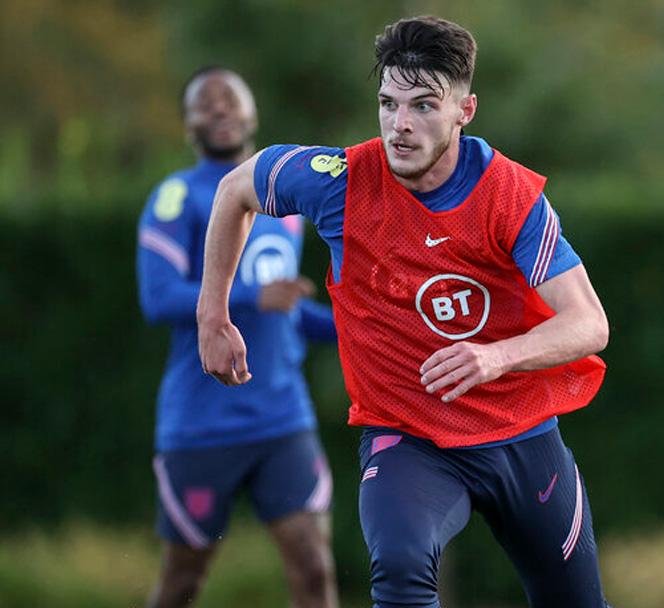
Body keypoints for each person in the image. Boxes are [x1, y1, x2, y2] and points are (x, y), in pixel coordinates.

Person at [195, 17, 611, 608]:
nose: (400, 125)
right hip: (408, 438)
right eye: (388, 104)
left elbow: (589, 324)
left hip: (521, 436)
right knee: (399, 564)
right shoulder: (339, 182)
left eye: (423, 106)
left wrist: (496, 356)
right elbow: (236, 187)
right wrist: (212, 314)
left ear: (465, 110)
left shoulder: (511, 197)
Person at [136, 67, 339, 608]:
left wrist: (360, 328)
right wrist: (251, 295)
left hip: (281, 417)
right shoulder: (176, 197)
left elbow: (287, 312)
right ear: (187, 125)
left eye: (232, 100)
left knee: (315, 570)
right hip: (204, 423)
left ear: (254, 114)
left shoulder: (282, 202)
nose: (221, 109)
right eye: (206, 103)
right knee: (182, 584)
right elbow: (158, 299)